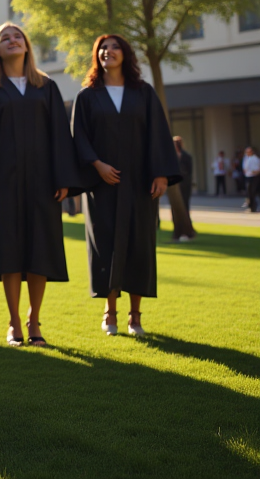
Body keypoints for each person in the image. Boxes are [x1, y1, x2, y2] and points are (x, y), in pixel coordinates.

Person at [0, 22, 83, 348]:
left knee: (39, 251)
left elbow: (60, 134)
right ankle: (14, 321)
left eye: (17, 36)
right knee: (9, 252)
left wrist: (62, 178)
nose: (12, 40)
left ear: (27, 45)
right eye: (4, 38)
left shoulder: (45, 85)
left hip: (41, 183)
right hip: (1, 184)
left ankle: (35, 320)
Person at [71, 35, 180, 338]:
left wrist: (161, 174)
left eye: (115, 47)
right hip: (103, 185)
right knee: (105, 246)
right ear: (97, 57)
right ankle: (110, 312)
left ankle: (135, 315)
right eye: (103, 48)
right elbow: (78, 136)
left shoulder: (143, 92)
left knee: (138, 247)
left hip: (139, 184)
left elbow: (159, 133)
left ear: (126, 54)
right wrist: (96, 164)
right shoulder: (88, 95)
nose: (108, 52)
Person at [172, 136, 194, 238]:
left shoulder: (186, 156)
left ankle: (187, 230)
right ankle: (178, 230)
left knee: (185, 206)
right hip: (175, 185)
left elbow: (189, 172)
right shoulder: (171, 157)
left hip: (184, 185)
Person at [244, 146, 260, 213]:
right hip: (248, 176)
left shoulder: (255, 159)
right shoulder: (246, 158)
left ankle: (253, 207)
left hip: (254, 177)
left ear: (252, 152)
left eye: (249, 151)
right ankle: (251, 207)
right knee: (249, 192)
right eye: (246, 152)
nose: (247, 153)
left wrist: (256, 172)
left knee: (253, 192)